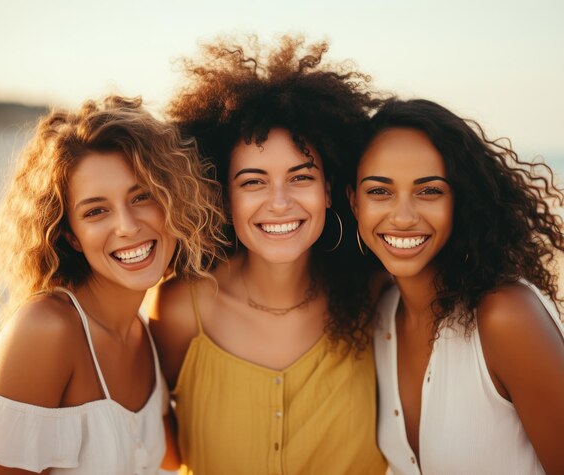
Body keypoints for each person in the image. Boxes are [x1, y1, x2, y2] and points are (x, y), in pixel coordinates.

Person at [149, 36, 387, 474]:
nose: (279, 203)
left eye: (300, 177)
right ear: (224, 195)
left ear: (329, 189)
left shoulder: (377, 299)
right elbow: (157, 446)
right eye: (253, 182)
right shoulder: (185, 307)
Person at [348, 97, 564, 475]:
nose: (403, 216)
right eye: (379, 191)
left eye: (429, 190)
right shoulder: (380, 312)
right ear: (354, 204)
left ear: (460, 201)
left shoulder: (505, 317)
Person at [0, 96, 224, 474]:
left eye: (142, 196)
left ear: (172, 201)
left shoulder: (145, 332)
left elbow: (177, 460)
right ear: (72, 236)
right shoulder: (46, 330)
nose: (126, 225)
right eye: (96, 211)